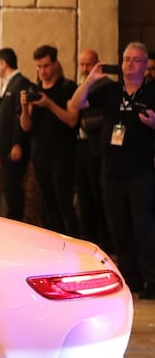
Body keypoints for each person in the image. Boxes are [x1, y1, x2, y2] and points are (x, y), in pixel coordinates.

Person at [69, 42, 155, 299]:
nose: (129, 64)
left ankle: (152, 278)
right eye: (126, 59)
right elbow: (76, 103)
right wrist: (90, 79)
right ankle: (131, 277)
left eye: (136, 60)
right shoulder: (110, 90)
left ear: (145, 65)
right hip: (112, 169)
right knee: (118, 226)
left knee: (143, 225)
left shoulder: (151, 91)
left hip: (141, 170)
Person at [20, 45, 79, 236]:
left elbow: (72, 120)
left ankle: (74, 246)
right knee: (47, 204)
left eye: (45, 66)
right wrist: (24, 107)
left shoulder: (68, 87)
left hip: (62, 156)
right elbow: (26, 126)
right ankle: (55, 245)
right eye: (39, 67)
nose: (42, 71)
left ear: (55, 64)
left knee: (65, 204)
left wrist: (49, 104)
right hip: (40, 156)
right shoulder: (34, 90)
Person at [69, 49, 112, 250]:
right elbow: (73, 105)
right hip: (81, 148)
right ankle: (87, 240)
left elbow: (108, 118)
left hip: (97, 149)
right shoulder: (82, 86)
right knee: (84, 197)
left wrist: (86, 123)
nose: (84, 69)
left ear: (98, 65)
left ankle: (104, 241)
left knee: (98, 197)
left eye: (88, 64)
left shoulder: (107, 86)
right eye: (82, 64)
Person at [0, 48, 32, 222]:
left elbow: (18, 117)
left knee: (14, 191)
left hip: (13, 148)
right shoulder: (9, 83)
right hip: (5, 149)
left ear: (4, 64)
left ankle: (16, 225)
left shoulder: (20, 83)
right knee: (9, 190)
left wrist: (18, 143)